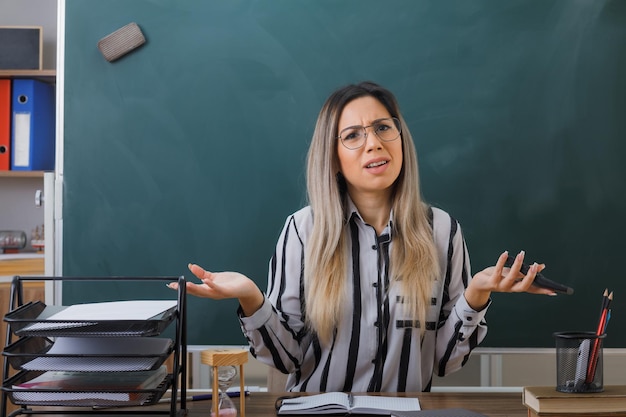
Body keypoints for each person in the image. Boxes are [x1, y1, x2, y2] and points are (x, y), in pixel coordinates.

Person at [169, 81, 554, 392]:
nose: (374, 143)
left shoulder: (442, 231)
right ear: (333, 159)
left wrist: (476, 295)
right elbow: (286, 360)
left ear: (400, 138)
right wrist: (251, 297)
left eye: (384, 128)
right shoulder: (303, 231)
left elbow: (443, 362)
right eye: (353, 135)